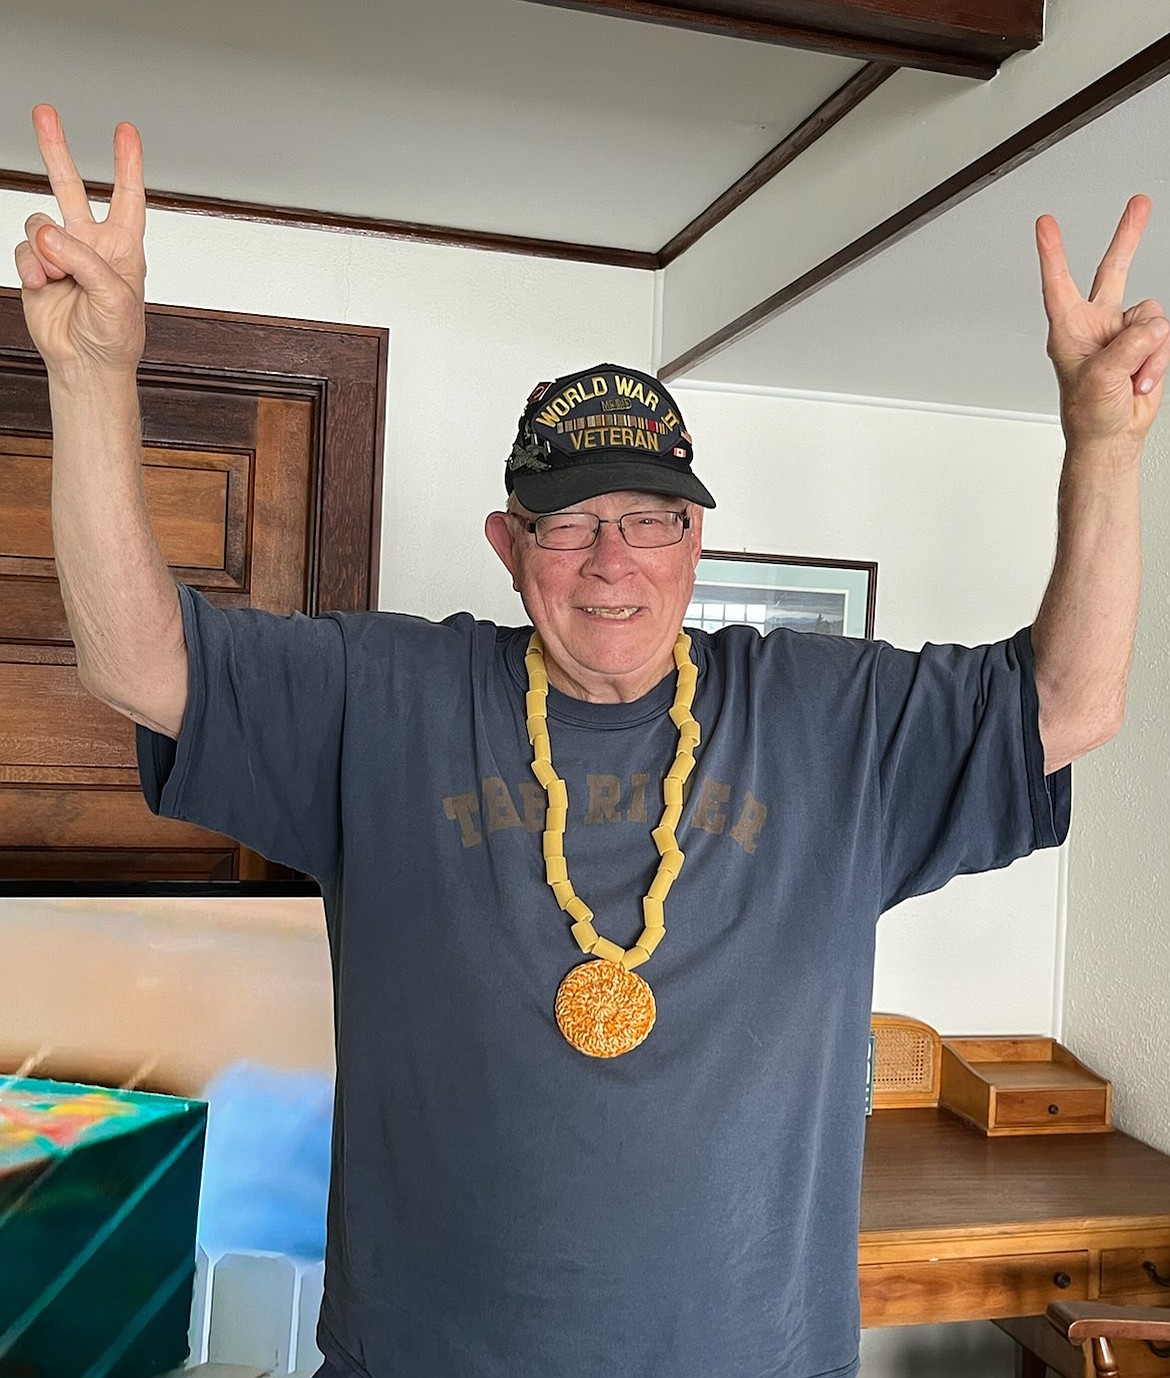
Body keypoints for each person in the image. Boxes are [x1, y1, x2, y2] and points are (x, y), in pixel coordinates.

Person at [14, 103, 1167, 1378]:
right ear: (510, 549)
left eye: (652, 517)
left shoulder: (833, 718)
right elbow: (136, 660)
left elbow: (1072, 706)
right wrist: (93, 373)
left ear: (695, 545)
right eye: (568, 523)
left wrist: (1105, 449)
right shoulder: (382, 696)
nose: (612, 559)